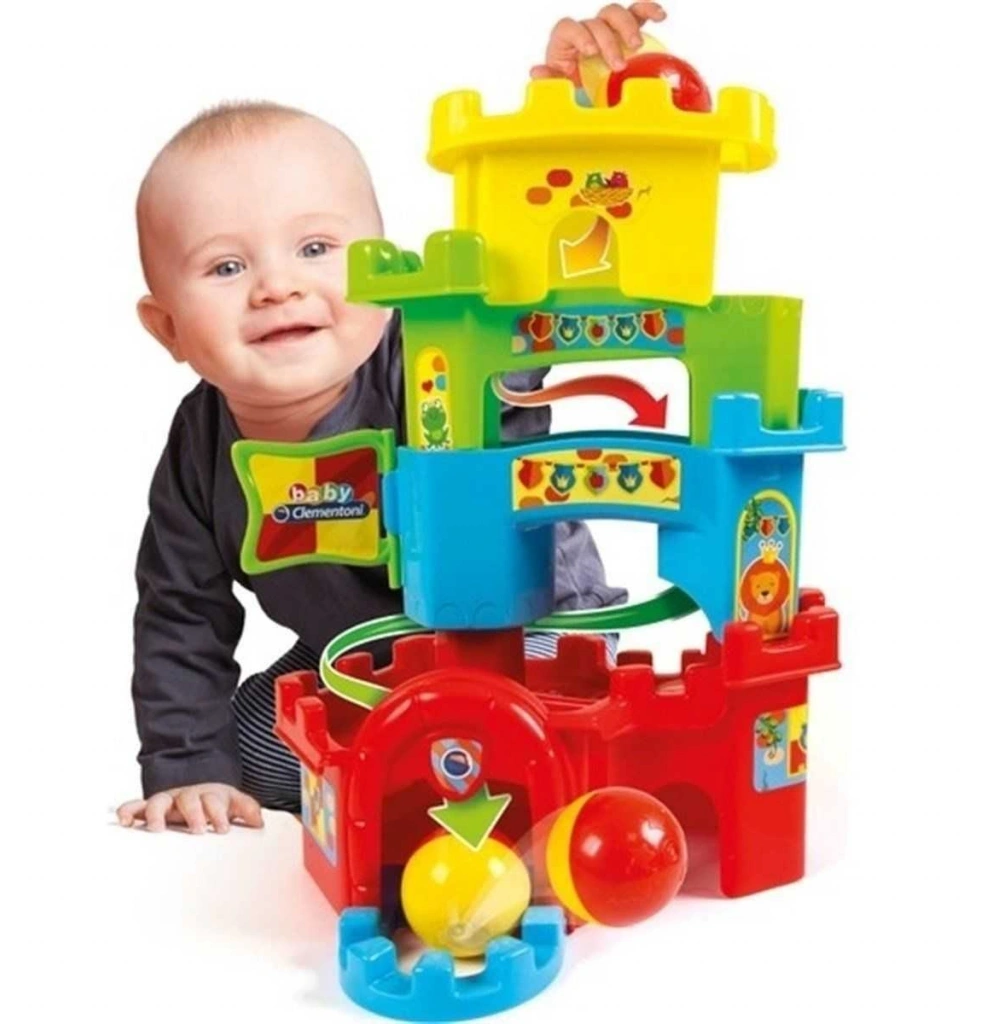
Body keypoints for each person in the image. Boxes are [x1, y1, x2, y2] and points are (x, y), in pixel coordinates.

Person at [117, 2, 667, 835]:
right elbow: (179, 609)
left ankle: (475, 769)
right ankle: (415, 769)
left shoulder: (436, 352)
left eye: (316, 248)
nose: (277, 286)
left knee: (542, 708)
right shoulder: (200, 448)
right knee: (245, 745)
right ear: (168, 330)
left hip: (527, 626)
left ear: (389, 272)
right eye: (226, 267)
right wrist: (190, 767)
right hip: (358, 658)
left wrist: (576, 115)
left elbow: (535, 286)